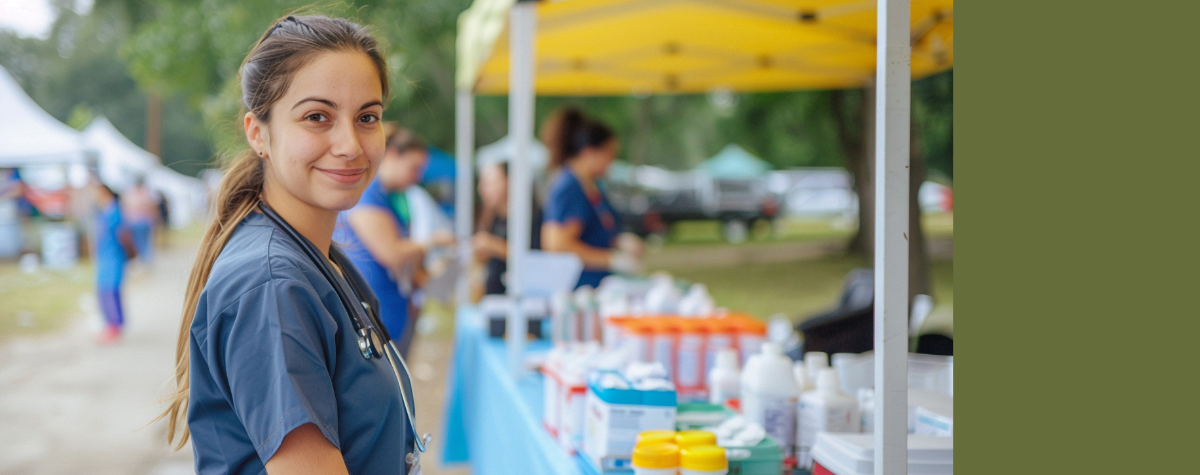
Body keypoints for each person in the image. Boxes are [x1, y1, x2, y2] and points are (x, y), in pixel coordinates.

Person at [156, 15, 417, 474]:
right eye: (317, 117)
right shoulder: (273, 284)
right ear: (258, 133)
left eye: (367, 118)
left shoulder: (321, 259)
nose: (350, 144)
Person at [334, 127, 450, 358]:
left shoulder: (388, 198)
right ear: (393, 155)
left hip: (388, 316)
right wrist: (431, 243)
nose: (416, 177)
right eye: (413, 168)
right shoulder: (366, 193)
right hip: (372, 320)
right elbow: (391, 253)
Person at [540, 106, 643, 288]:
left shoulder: (593, 186)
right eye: (610, 154)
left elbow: (594, 230)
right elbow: (556, 244)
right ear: (589, 152)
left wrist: (618, 241)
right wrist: (609, 259)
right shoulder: (569, 187)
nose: (612, 161)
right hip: (578, 289)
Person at [472, 162, 542, 297]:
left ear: (509, 182)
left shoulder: (531, 218)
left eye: (489, 183)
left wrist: (493, 245)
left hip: (520, 305)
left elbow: (536, 260)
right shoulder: (496, 219)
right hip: (495, 303)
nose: (482, 189)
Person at [92, 179, 134, 343]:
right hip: (105, 256)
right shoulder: (105, 211)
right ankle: (112, 324)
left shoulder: (115, 212)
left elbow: (124, 235)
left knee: (110, 290)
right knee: (105, 290)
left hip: (114, 256)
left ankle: (114, 326)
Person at [120, 177, 159, 263]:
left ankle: (145, 259)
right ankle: (145, 259)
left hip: (140, 222)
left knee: (141, 241)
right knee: (142, 241)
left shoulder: (133, 193)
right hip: (140, 222)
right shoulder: (146, 193)